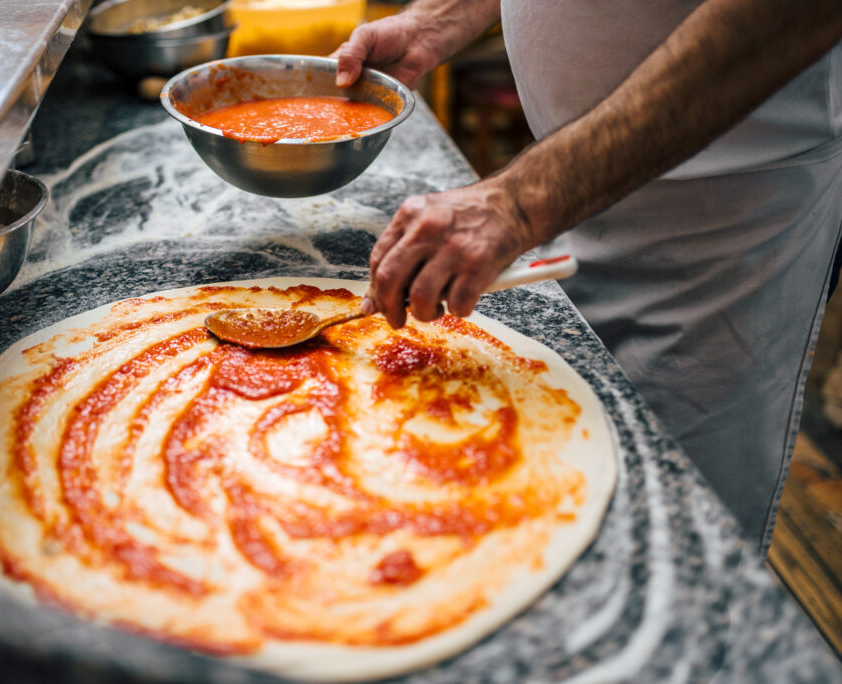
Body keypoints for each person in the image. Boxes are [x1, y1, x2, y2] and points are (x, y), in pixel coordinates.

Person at [332, 0, 842, 554]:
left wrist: (522, 201)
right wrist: (438, 17)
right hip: (567, 177)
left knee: (670, 533)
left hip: (721, 215)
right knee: (527, 492)